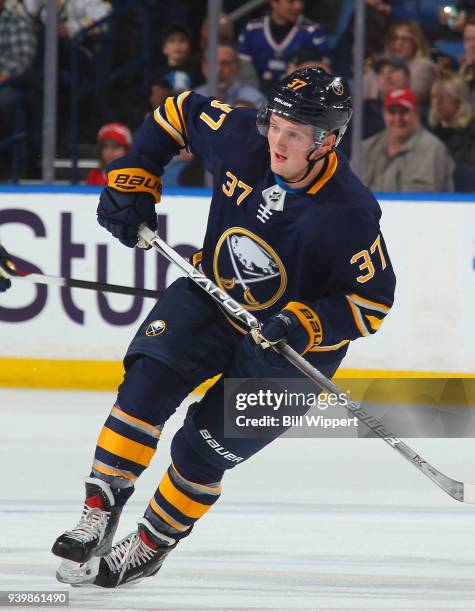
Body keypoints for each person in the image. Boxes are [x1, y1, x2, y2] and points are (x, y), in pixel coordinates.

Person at [51, 67, 396, 588]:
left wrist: (303, 322)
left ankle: (151, 543)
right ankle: (100, 507)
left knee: (202, 449)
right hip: (214, 294)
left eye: (295, 134)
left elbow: (371, 303)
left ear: (325, 143)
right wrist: (137, 172)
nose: (278, 142)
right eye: (275, 125)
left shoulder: (349, 213)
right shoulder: (240, 139)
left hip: (290, 349)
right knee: (147, 383)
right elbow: (177, 112)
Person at [360, 87, 454, 192]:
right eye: (392, 112)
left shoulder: (432, 149)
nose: (397, 118)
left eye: (404, 112)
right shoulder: (367, 147)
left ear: (417, 113)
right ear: (384, 114)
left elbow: (421, 198)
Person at [238, 0, 331, 92]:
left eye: (301, 1)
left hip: (295, 95)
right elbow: (241, 68)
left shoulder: (312, 32)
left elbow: (323, 72)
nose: (298, 6)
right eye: (291, 1)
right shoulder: (252, 29)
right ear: (274, 2)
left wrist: (299, 71)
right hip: (255, 93)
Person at [428, 73, 475, 190]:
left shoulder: (471, 132)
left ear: (460, 99)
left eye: (445, 96)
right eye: (434, 96)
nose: (437, 102)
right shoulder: (426, 132)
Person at [195, 38, 266, 108]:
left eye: (226, 63)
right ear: (203, 66)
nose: (218, 69)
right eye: (213, 63)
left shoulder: (255, 101)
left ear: (237, 67)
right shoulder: (193, 100)